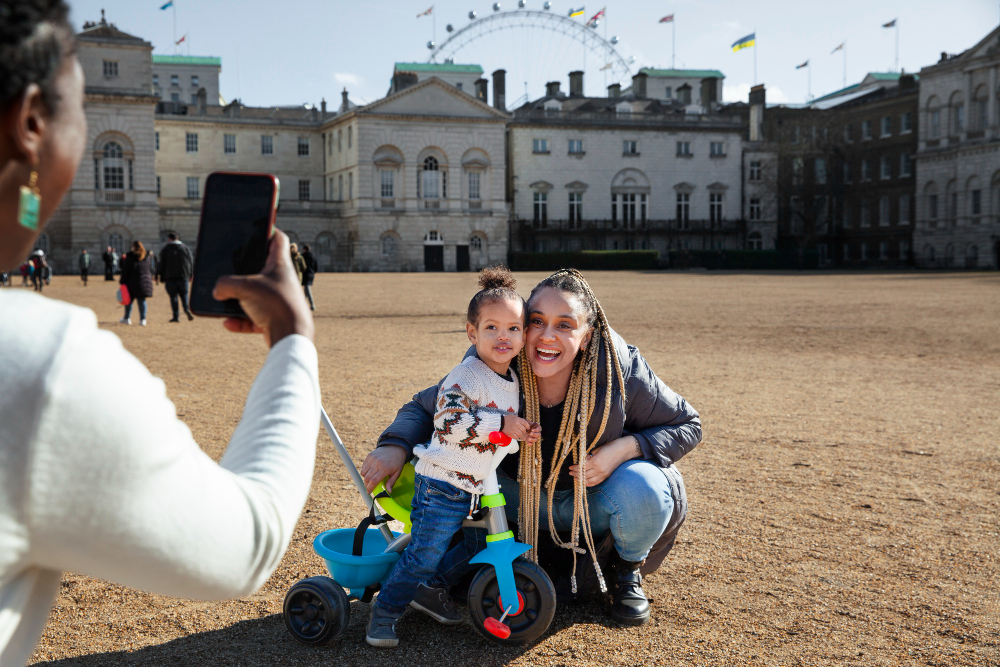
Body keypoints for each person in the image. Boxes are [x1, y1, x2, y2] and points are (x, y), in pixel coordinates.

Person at [0, 5, 320, 664]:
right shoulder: (39, 365)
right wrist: (292, 335)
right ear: (32, 122)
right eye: (82, 104)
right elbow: (246, 545)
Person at [363, 269, 702, 627]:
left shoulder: (621, 370)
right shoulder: (493, 362)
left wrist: (624, 448)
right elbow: (429, 407)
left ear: (586, 336)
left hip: (590, 503)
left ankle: (625, 572)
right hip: (513, 499)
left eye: (565, 325)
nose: (547, 336)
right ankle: (441, 575)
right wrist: (395, 446)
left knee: (646, 488)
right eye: (537, 321)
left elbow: (688, 424)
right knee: (446, 471)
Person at [366, 267, 540, 648]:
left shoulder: (510, 380)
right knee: (422, 555)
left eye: (513, 328)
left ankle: (428, 590)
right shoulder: (466, 375)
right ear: (471, 332)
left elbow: (497, 438)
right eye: (491, 328)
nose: (503, 336)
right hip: (441, 483)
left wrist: (518, 435)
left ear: (524, 334)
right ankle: (385, 612)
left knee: (478, 547)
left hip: (473, 485)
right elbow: (450, 423)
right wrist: (502, 423)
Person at [157, 232, 194, 322]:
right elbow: (191, 261)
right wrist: (191, 274)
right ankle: (186, 309)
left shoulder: (166, 249)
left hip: (170, 277)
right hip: (183, 276)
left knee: (173, 297)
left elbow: (161, 264)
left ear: (170, 239)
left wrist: (158, 275)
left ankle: (176, 316)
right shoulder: (185, 248)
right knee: (184, 294)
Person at [119, 240, 154, 326]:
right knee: (142, 300)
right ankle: (143, 319)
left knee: (129, 300)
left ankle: (127, 318)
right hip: (144, 281)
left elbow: (125, 271)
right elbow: (150, 269)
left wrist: (122, 281)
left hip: (132, 281)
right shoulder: (146, 257)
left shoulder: (130, 257)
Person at [300, 243, 317, 311]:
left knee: (307, 288)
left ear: (304, 249)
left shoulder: (302, 256)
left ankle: (312, 304)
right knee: (306, 289)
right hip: (311, 274)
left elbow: (302, 266)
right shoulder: (313, 256)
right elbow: (316, 266)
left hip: (305, 274)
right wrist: (313, 272)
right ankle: (302, 304)